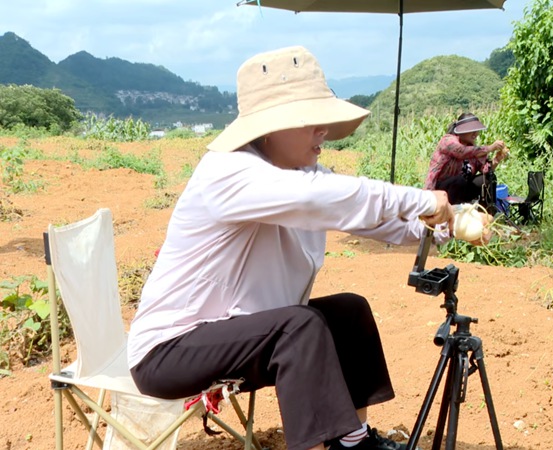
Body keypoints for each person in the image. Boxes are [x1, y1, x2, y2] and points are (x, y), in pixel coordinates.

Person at [126, 46, 458, 450]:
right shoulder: (229, 173)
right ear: (269, 128)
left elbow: (363, 217)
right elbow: (328, 199)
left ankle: (353, 442)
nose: (322, 131)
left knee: (348, 311)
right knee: (298, 327)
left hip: (238, 331)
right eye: (310, 121)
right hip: (169, 351)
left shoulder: (297, 174)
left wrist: (439, 228)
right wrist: (423, 201)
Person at [424, 113, 510, 205]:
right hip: (441, 189)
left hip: (462, 188)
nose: (475, 134)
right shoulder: (448, 141)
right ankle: (453, 211)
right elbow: (462, 152)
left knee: (489, 177)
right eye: (471, 130)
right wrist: (489, 148)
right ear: (462, 131)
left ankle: (488, 211)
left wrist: (496, 160)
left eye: (476, 131)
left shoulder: (474, 149)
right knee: (460, 180)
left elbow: (485, 170)